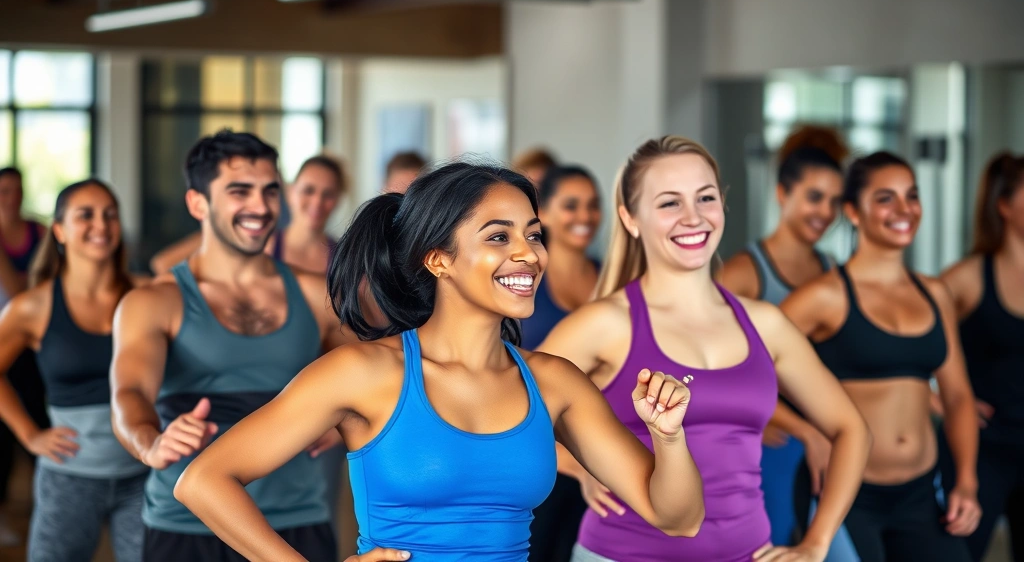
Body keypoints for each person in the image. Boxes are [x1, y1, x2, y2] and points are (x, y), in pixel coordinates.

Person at [173, 161, 706, 562]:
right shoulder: (364, 373)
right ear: (439, 259)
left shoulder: (555, 381)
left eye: (533, 234)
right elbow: (203, 481)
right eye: (499, 236)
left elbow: (677, 517)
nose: (529, 253)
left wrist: (669, 435)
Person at [537, 136, 870, 562]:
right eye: (670, 203)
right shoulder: (605, 323)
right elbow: (506, 416)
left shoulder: (766, 324)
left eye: (705, 197)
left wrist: (815, 544)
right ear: (631, 217)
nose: (693, 218)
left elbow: (851, 429)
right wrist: (577, 462)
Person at [110, 130, 352, 562]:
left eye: (270, 191)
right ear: (197, 203)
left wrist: (344, 416)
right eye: (240, 192)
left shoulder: (319, 296)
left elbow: (370, 372)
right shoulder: (154, 301)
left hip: (294, 520)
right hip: (186, 520)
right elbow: (129, 393)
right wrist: (150, 442)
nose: (260, 207)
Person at [781, 152, 981, 561]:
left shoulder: (935, 294)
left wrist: (966, 481)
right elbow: (741, 371)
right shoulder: (824, 296)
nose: (904, 209)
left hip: (923, 493)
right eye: (886, 198)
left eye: (912, 196)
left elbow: (958, 396)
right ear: (853, 211)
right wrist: (805, 430)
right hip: (846, 492)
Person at [0, 179, 148, 561]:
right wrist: (30, 435)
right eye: (86, 215)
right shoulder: (33, 306)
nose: (101, 225)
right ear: (60, 230)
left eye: (110, 215)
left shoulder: (147, 296)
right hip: (69, 475)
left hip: (143, 474)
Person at [717, 138, 848, 551]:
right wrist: (792, 425)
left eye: (835, 201)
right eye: (814, 197)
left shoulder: (833, 271)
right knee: (767, 548)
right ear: (782, 193)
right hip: (769, 440)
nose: (826, 212)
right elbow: (711, 368)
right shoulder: (743, 273)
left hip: (826, 436)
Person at [939, 152, 1024, 561]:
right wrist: (938, 400)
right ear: (1004, 206)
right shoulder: (969, 278)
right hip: (982, 450)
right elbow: (901, 339)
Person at [524, 165, 603, 562]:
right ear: (546, 215)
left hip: (601, 458)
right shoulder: (523, 281)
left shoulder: (612, 279)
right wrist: (575, 465)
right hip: (537, 457)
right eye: (571, 205)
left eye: (593, 205)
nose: (585, 216)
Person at [150, 154, 347, 275]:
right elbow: (163, 264)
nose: (317, 202)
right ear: (290, 192)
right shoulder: (258, 242)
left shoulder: (346, 260)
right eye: (308, 190)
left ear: (338, 199)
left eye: (328, 194)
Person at [0, 166, 49, 546]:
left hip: (33, 342)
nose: (10, 197)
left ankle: (48, 506)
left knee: (38, 416)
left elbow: (37, 289)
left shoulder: (40, 232)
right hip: (3, 342)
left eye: (16, 189)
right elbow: (21, 292)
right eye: (3, 190)